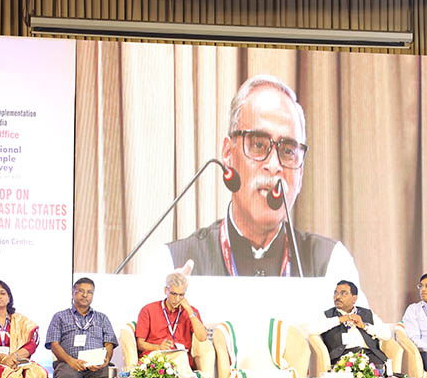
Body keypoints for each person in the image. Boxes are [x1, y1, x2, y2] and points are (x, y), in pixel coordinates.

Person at [154, 75, 361, 284]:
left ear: (301, 172)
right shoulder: (171, 265)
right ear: (228, 154)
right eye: (258, 145)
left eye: (288, 150)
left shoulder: (331, 267)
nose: (273, 165)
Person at [135, 272, 213, 378]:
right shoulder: (148, 310)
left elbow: (202, 337)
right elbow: (140, 344)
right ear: (165, 290)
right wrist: (158, 346)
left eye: (181, 295)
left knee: (176, 368)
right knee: (178, 361)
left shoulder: (189, 311)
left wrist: (189, 311)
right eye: (174, 294)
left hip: (177, 365)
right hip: (154, 360)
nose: (177, 299)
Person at [45, 278, 118, 378]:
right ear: (73, 293)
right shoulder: (60, 316)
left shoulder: (102, 318)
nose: (85, 295)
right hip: (69, 363)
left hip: (97, 364)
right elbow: (53, 343)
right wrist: (70, 361)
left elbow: (109, 342)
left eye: (89, 292)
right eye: (81, 291)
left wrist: (106, 359)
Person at [312, 280, 391, 378]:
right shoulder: (327, 315)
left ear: (354, 298)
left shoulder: (367, 313)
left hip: (368, 353)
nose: (338, 297)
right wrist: (340, 320)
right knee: (344, 371)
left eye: (343, 293)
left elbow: (387, 334)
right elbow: (312, 329)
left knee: (380, 370)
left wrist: (364, 326)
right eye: (336, 293)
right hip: (342, 354)